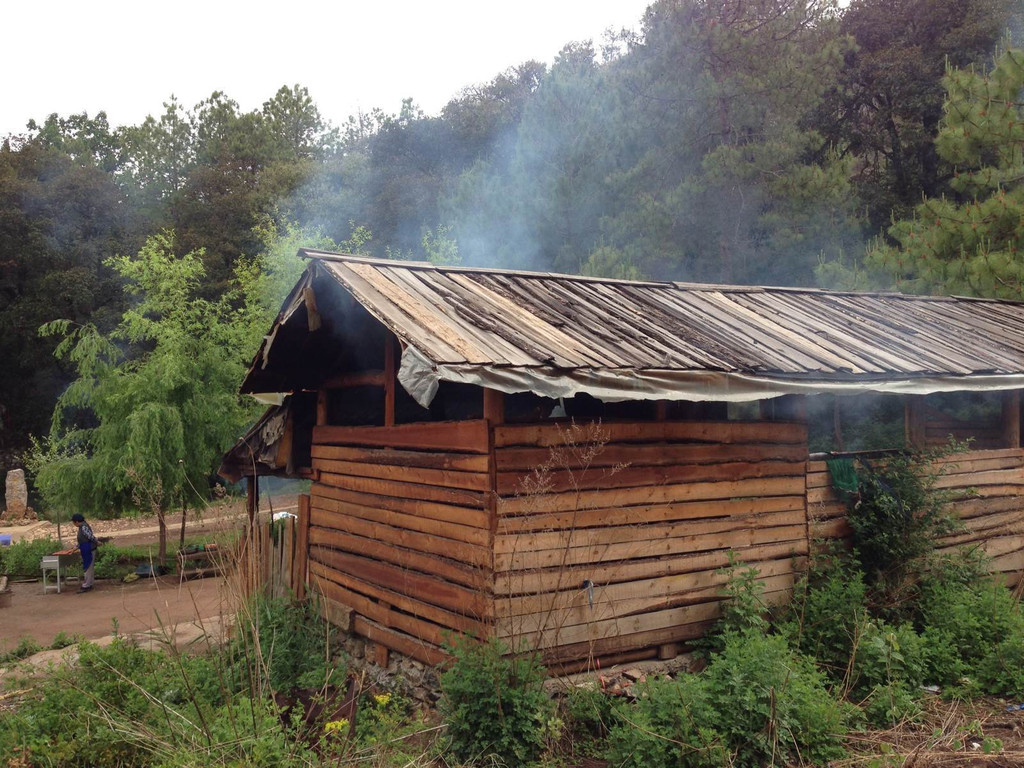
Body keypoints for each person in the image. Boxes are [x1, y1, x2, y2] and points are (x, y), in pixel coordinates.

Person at [71, 513, 98, 592]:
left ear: (76, 522)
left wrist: (97, 542)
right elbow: (83, 540)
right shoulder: (82, 527)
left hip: (89, 549)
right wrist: (76, 547)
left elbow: (90, 537)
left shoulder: (83, 527)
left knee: (88, 567)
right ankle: (89, 583)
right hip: (86, 548)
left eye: (73, 522)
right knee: (89, 567)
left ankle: (87, 585)